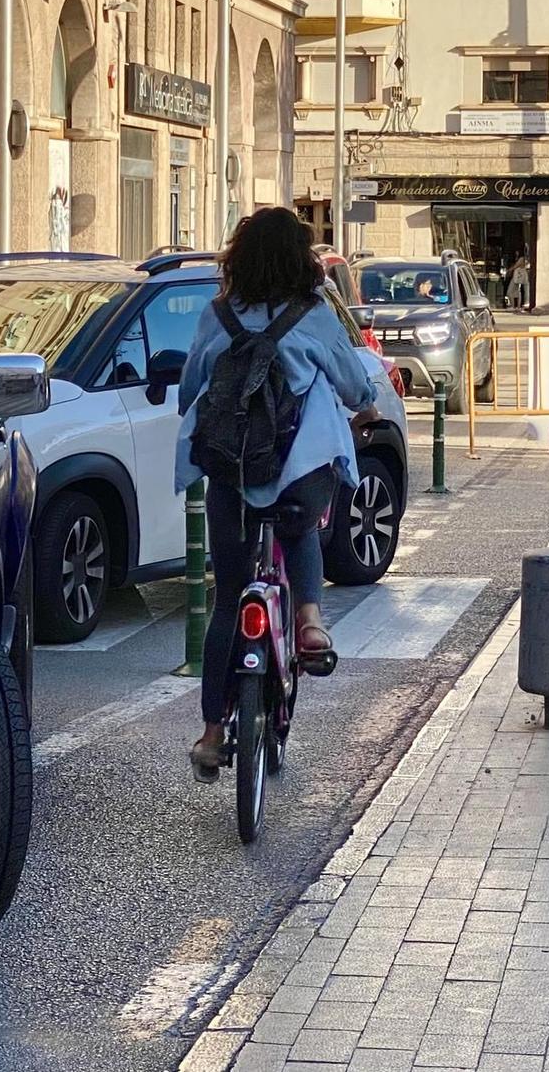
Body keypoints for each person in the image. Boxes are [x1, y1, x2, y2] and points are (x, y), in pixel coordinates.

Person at [175, 208, 380, 782]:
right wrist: (363, 405)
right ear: (302, 261)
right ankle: (311, 621)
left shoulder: (218, 316)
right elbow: (355, 384)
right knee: (301, 527)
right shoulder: (313, 316)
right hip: (300, 472)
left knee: (228, 602)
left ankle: (214, 733)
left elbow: (190, 388)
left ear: (238, 260)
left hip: (233, 477)